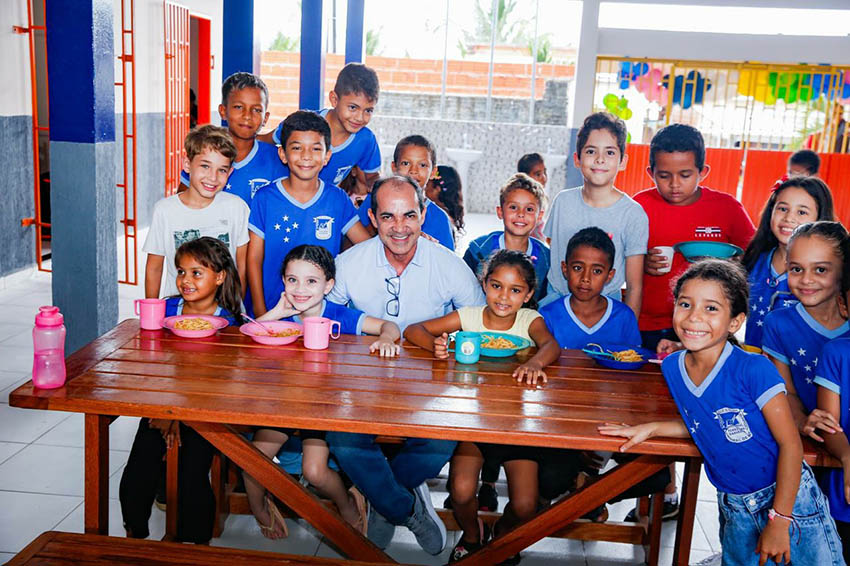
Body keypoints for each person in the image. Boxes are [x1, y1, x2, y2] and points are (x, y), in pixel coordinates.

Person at [599, 260, 844, 566]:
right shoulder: (673, 367)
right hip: (734, 502)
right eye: (685, 304)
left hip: (790, 500)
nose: (694, 317)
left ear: (735, 321)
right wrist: (651, 428)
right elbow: (707, 423)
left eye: (711, 308)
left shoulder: (753, 369)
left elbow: (790, 445)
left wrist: (781, 519)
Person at [325, 175, 484, 555]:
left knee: (439, 443)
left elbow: (480, 321)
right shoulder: (349, 263)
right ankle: (406, 508)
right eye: (388, 216)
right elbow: (323, 315)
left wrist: (450, 346)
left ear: (423, 215)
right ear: (373, 218)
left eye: (409, 215)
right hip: (361, 386)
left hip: (429, 388)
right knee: (342, 441)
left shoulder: (448, 265)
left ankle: (384, 504)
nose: (400, 227)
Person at [404, 249, 565, 563]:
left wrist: (535, 362)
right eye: (496, 286)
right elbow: (413, 330)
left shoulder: (529, 320)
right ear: (484, 284)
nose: (503, 297)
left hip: (516, 427)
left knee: (525, 506)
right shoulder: (470, 317)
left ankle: (502, 536)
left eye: (515, 290)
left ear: (528, 295)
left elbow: (551, 345)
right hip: (474, 424)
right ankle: (472, 535)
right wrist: (435, 347)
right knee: (461, 492)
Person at [242, 245, 401, 539]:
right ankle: (260, 509)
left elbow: (389, 325)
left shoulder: (341, 316)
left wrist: (387, 339)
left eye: (311, 281)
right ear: (284, 281)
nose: (300, 289)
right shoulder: (280, 319)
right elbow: (244, 339)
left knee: (315, 472)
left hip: (324, 409)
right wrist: (277, 312)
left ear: (328, 285)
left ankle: (347, 503)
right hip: (284, 406)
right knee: (252, 462)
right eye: (292, 280)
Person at [120, 237, 243, 544]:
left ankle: (195, 545)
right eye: (181, 272)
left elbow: (216, 382)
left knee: (191, 476)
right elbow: (151, 363)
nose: (186, 280)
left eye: (196, 273)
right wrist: (165, 410)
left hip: (203, 410)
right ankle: (135, 535)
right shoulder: (164, 310)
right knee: (137, 473)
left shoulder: (227, 324)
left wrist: (179, 415)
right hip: (160, 403)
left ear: (220, 277)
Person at [635, 123, 755, 351]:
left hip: (706, 326)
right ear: (651, 173)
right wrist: (640, 261)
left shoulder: (726, 208)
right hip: (648, 324)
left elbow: (756, 255)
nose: (674, 184)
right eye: (664, 176)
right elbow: (614, 257)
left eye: (685, 175)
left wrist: (733, 265)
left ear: (703, 172)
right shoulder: (639, 206)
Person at [247, 110, 370, 316]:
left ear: (327, 156)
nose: (306, 156)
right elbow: (254, 258)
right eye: (297, 148)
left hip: (317, 315)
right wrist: (260, 308)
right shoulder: (265, 197)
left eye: (315, 148)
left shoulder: (337, 199)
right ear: (283, 154)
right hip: (272, 310)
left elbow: (366, 246)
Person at [543, 112, 648, 316]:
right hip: (556, 306)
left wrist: (628, 329)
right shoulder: (562, 201)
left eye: (610, 152)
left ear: (623, 161)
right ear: (577, 159)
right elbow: (553, 249)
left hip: (605, 311)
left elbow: (634, 286)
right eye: (591, 151)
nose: (600, 159)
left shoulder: (632, 214)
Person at [762, 221, 850, 439]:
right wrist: (803, 423)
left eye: (820, 269)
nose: (806, 280)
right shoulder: (778, 324)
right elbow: (785, 392)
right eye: (796, 269)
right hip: (810, 440)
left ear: (844, 270)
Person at [143, 125, 249, 299]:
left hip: (224, 308)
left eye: (222, 170)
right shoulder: (165, 210)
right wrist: (151, 309)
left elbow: (242, 266)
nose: (213, 177)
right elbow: (154, 268)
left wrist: (236, 306)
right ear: (187, 164)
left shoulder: (237, 207)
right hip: (179, 309)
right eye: (205, 166)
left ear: (230, 172)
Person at [742, 177, 835, 349]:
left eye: (802, 212)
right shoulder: (755, 258)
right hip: (753, 358)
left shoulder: (829, 272)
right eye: (783, 208)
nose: (789, 218)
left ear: (820, 218)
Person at [260, 62, 382, 193]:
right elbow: (263, 141)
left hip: (321, 203)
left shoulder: (366, 140)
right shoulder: (302, 123)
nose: (360, 117)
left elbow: (372, 179)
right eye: (353, 107)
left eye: (368, 110)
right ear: (334, 99)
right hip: (284, 197)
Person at [179, 72, 286, 206]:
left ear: (265, 118)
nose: (247, 115)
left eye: (257, 110)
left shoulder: (278, 160)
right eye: (238, 107)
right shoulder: (204, 153)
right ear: (223, 111)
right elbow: (181, 205)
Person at [540, 227, 641, 349]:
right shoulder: (547, 316)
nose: (585, 278)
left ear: (609, 275)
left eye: (597, 271)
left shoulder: (624, 316)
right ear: (565, 269)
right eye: (578, 268)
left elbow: (633, 356)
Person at [357, 135, 456, 250]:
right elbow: (350, 244)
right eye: (406, 163)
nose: (413, 170)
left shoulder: (440, 219)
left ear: (433, 172)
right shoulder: (375, 199)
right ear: (394, 167)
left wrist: (426, 247)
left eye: (422, 165)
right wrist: (378, 230)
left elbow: (446, 258)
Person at [464, 173, 550, 304]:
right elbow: (463, 293)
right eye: (513, 207)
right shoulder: (478, 250)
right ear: (500, 212)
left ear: (539, 216)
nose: (521, 214)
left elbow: (545, 301)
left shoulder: (546, 258)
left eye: (529, 209)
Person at [814, 263, 850, 564]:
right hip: (843, 496)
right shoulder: (836, 353)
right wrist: (848, 458)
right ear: (844, 304)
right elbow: (829, 424)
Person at [425, 165, 465, 243]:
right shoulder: (448, 214)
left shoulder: (439, 217)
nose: (424, 189)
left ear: (437, 189)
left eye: (427, 185)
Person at [517, 152, 548, 240]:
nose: (544, 177)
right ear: (525, 178)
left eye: (545, 172)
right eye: (538, 174)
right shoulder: (525, 199)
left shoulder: (541, 196)